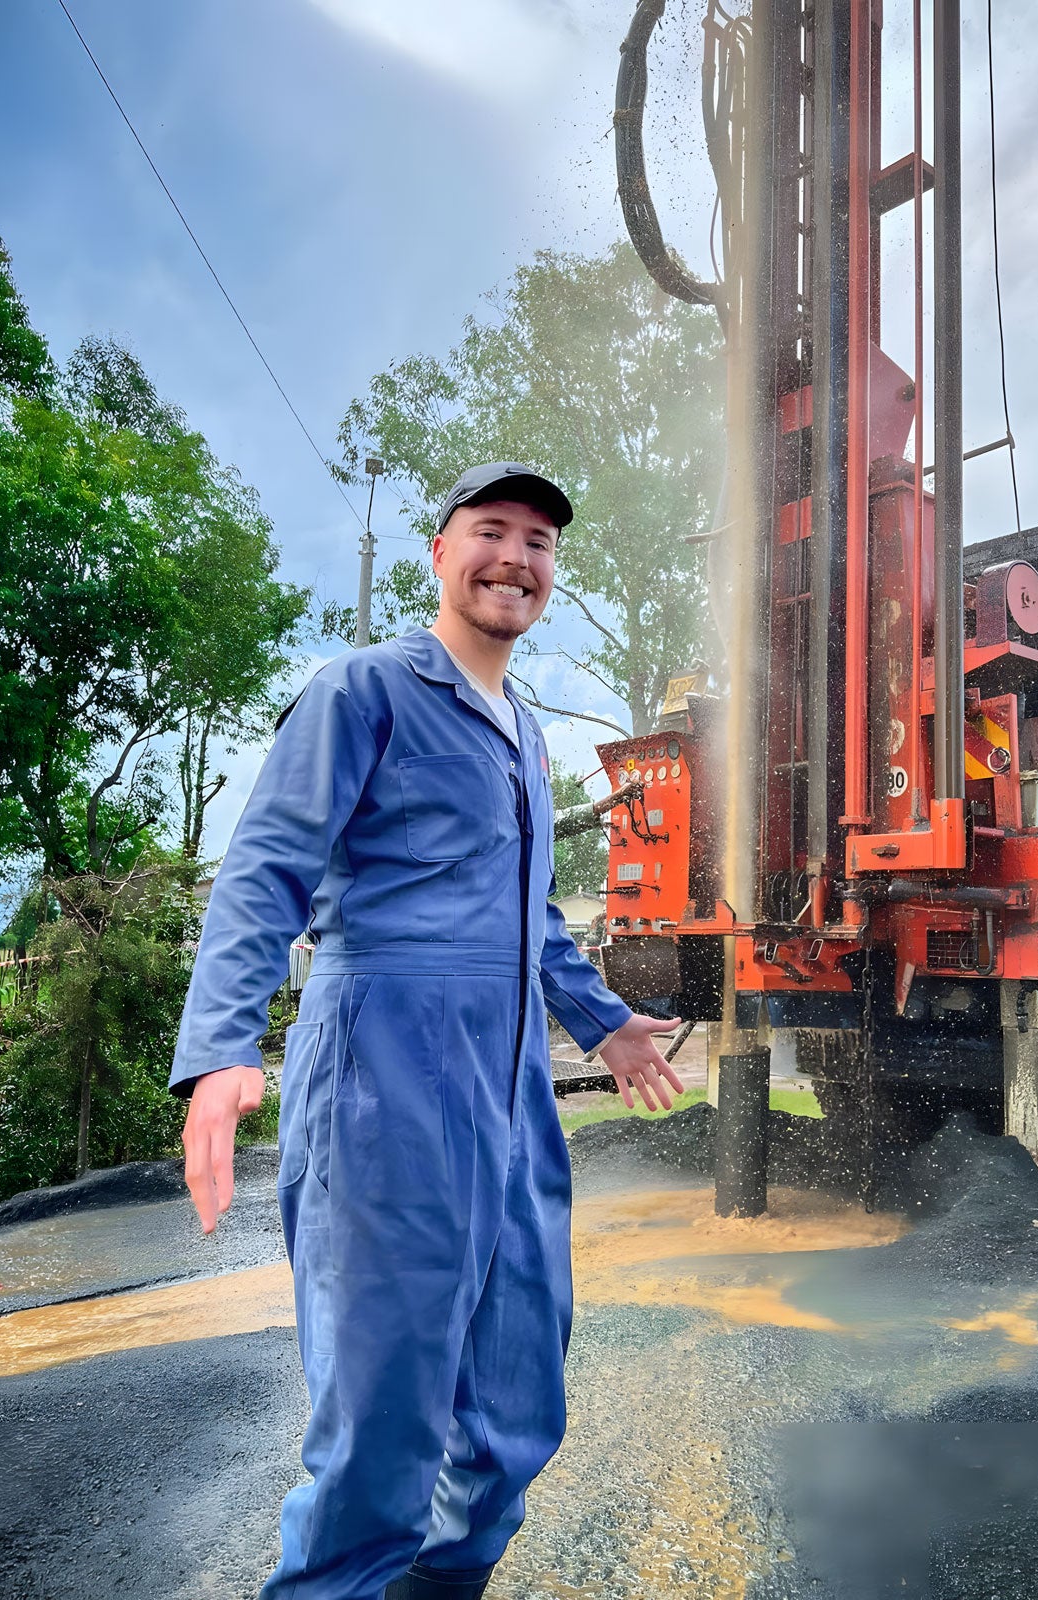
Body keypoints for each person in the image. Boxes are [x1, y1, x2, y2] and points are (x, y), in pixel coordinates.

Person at [172, 462, 684, 1600]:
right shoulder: (364, 689)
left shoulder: (525, 732)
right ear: (438, 556)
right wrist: (220, 1051)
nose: (516, 557)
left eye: (539, 542)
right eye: (490, 532)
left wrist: (603, 1028)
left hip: (507, 1092)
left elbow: (531, 915)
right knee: (382, 1424)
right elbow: (266, 868)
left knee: (514, 1410)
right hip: (384, 1074)